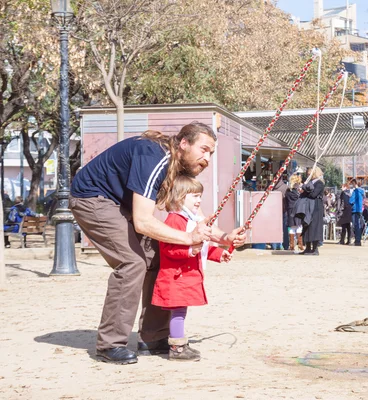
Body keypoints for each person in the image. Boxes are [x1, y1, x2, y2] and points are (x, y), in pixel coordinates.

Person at [70, 122, 246, 364]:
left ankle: (153, 338)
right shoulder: (155, 158)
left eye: (211, 153)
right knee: (132, 263)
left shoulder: (178, 163)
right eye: (204, 149)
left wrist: (224, 237)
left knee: (158, 257)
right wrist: (187, 239)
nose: (207, 158)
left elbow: (193, 218)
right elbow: (143, 221)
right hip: (92, 198)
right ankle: (110, 344)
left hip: (121, 205)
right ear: (184, 143)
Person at [151, 175, 232, 361]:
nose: (199, 200)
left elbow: (201, 247)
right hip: (176, 276)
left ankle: (176, 344)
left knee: (180, 311)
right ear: (180, 197)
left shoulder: (191, 220)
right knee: (178, 311)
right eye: (195, 196)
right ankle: (177, 348)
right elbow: (169, 248)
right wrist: (189, 251)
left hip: (183, 275)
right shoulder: (175, 220)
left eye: (200, 196)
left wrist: (220, 254)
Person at [299, 166, 325, 255]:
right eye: (307, 174)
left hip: (316, 207)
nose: (308, 176)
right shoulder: (309, 183)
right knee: (307, 226)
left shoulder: (319, 183)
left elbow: (313, 194)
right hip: (308, 207)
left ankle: (315, 249)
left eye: (309, 174)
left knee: (315, 227)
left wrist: (306, 188)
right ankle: (307, 248)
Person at [285, 174, 304, 252]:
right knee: (299, 227)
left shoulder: (288, 191)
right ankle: (300, 245)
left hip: (290, 210)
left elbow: (286, 202)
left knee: (292, 228)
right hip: (297, 210)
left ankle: (292, 245)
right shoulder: (297, 192)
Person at [271, 176, 288, 251]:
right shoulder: (286, 187)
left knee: (274, 228)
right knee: (284, 229)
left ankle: (274, 245)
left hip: (273, 211)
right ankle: (285, 245)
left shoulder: (271, 187)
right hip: (283, 210)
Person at [349, 178, 365, 246]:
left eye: (353, 183)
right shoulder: (362, 191)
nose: (352, 185)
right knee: (358, 225)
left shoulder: (355, 191)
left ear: (355, 183)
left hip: (355, 210)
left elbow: (350, 201)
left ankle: (357, 240)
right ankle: (358, 240)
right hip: (360, 209)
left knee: (355, 226)